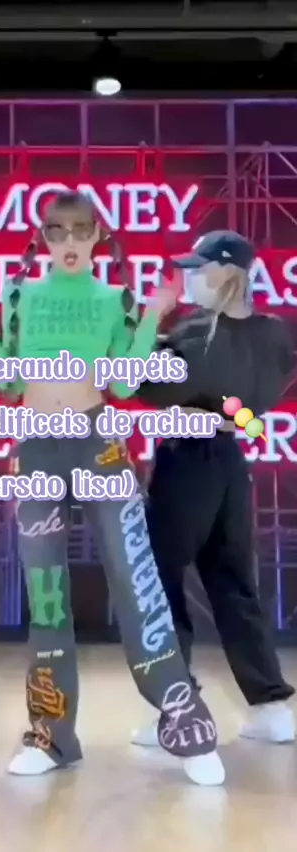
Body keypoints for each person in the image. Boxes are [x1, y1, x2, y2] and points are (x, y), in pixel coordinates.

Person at [0, 190, 226, 786]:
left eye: (80, 230)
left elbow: (122, 386)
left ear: (98, 235)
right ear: (42, 238)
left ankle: (183, 718)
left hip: (98, 445)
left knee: (135, 580)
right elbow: (10, 385)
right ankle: (51, 735)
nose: (68, 242)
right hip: (37, 449)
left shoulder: (112, 298)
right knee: (47, 596)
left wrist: (153, 316)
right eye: (56, 231)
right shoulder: (20, 295)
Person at [130, 230, 295, 748]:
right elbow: (261, 396)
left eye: (200, 268)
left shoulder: (198, 332)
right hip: (229, 460)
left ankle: (176, 707)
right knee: (233, 581)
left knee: (160, 580)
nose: (191, 277)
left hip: (188, 461)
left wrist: (149, 321)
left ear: (229, 271)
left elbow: (140, 383)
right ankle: (271, 706)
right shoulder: (273, 334)